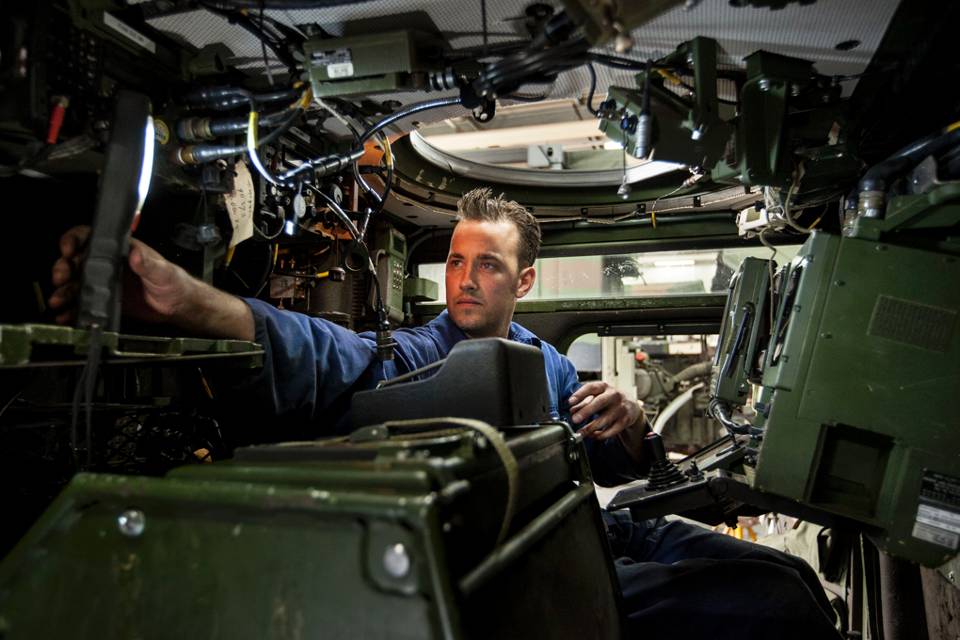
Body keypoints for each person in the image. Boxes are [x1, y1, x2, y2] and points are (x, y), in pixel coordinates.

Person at [50, 188, 841, 639]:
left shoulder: (545, 358)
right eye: (456, 260)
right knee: (770, 606)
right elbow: (327, 352)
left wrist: (630, 422)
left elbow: (613, 460)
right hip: (531, 572)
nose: (464, 278)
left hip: (604, 530)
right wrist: (190, 303)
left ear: (521, 284)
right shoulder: (416, 356)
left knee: (792, 579)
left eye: (486, 265)